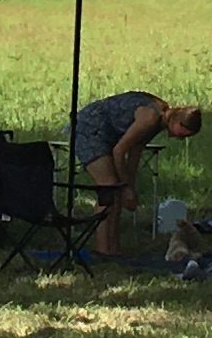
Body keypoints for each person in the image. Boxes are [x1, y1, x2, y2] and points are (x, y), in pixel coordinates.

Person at [69, 90, 203, 260]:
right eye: (182, 133)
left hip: (108, 135)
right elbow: (119, 151)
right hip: (89, 128)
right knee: (109, 186)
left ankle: (114, 249)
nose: (180, 139)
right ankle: (103, 250)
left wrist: (130, 187)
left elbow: (135, 150)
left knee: (116, 190)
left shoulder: (160, 121)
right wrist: (125, 187)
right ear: (177, 120)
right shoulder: (151, 117)